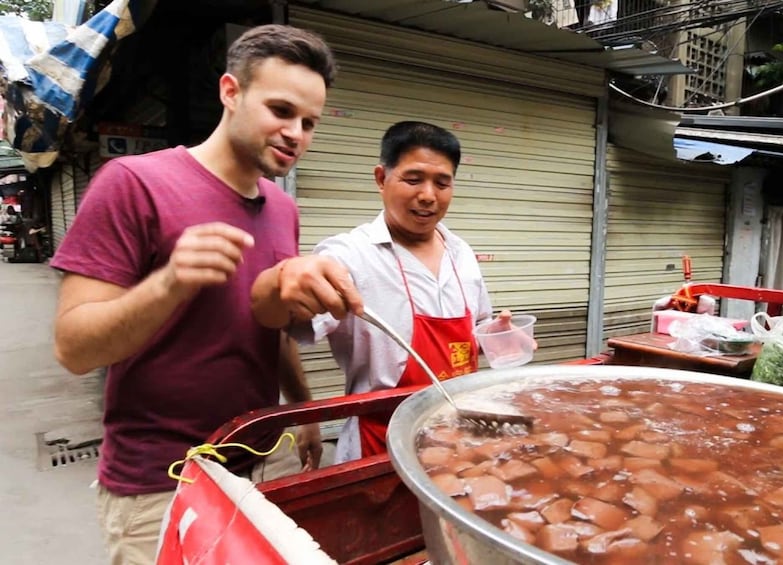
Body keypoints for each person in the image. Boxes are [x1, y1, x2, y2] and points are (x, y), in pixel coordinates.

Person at [50, 25, 337, 564]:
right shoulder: (132, 183)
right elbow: (73, 347)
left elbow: (266, 326)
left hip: (260, 458)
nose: (295, 132)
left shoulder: (283, 209)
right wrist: (169, 282)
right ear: (231, 92)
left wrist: (303, 409)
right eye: (280, 110)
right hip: (162, 482)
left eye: (309, 122)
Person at [251, 121, 528, 463]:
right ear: (381, 178)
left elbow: (472, 337)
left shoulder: (461, 253)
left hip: (458, 437)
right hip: (379, 445)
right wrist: (281, 281)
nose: (428, 195)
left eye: (442, 183)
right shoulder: (350, 254)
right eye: (413, 180)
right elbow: (279, 320)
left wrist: (498, 337)